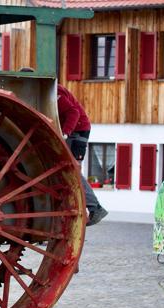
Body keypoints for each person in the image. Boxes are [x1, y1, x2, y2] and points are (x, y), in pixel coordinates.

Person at [57, 84, 109, 226]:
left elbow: (74, 112)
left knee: (71, 169)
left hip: (78, 131)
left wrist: (65, 133)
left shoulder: (55, 92)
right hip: (74, 130)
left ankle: (94, 207)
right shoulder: (51, 90)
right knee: (65, 170)